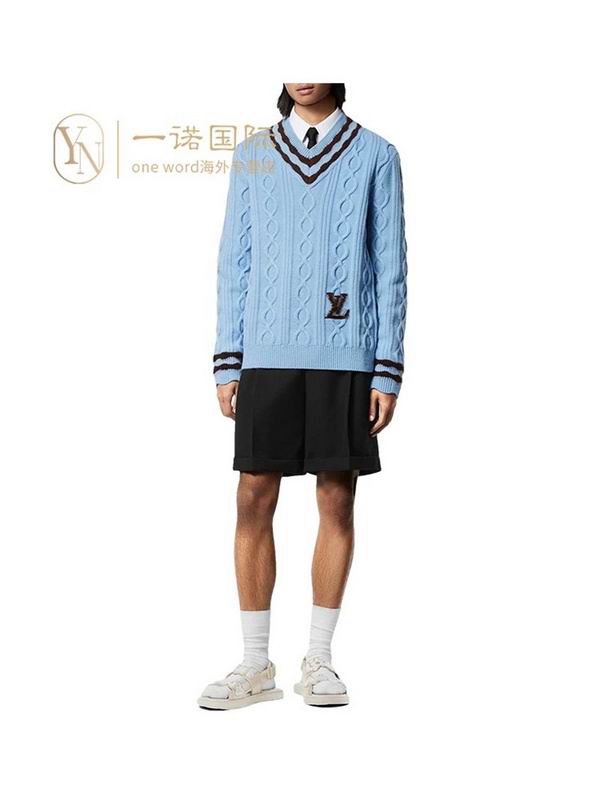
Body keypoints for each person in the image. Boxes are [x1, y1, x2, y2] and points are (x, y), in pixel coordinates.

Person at [198, 83, 407, 710]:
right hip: (265, 355)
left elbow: (391, 265)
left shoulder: (377, 154)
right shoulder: (252, 154)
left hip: (346, 355)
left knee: (336, 498)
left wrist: (387, 370)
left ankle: (319, 659)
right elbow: (234, 261)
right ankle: (254, 663)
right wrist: (227, 358)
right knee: (252, 497)